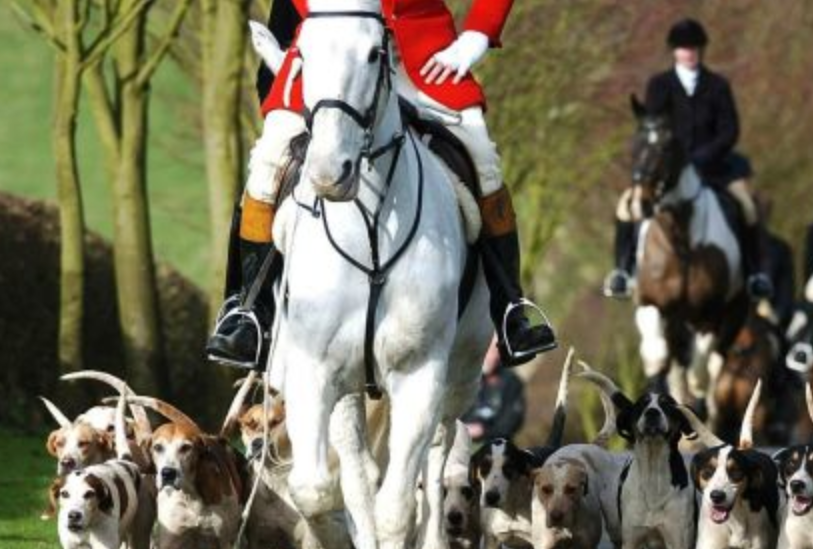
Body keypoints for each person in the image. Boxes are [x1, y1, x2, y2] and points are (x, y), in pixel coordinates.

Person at [205, 0, 557, 370]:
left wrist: (478, 35)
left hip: (424, 61)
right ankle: (249, 313)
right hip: (329, 59)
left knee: (483, 160)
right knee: (265, 165)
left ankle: (510, 309)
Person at [603, 18, 771, 301]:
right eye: (683, 48)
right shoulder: (659, 85)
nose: (689, 52)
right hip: (667, 171)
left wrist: (702, 157)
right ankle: (623, 271)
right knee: (626, 206)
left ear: (701, 50)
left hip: (714, 166)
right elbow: (652, 126)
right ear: (674, 51)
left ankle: (755, 275)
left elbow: (730, 130)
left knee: (747, 206)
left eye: (693, 47)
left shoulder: (718, 85)